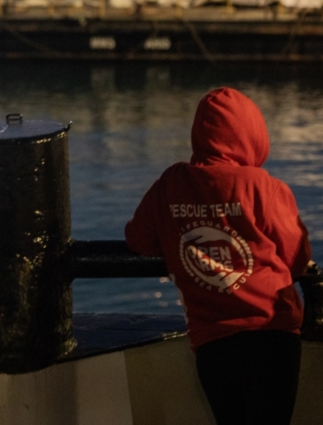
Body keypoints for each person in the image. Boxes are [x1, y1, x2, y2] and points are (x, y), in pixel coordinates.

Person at [125, 87, 312, 425]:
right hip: (273, 335)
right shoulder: (264, 187)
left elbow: (138, 239)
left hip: (212, 343)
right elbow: (297, 258)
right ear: (253, 134)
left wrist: (179, 236)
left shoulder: (170, 184)